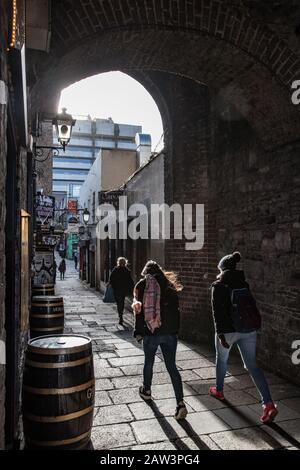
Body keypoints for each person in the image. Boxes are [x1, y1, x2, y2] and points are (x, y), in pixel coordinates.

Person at [210, 251, 278, 424]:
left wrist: (220, 334)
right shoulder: (244, 284)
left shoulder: (218, 285)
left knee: (222, 360)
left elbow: (217, 313)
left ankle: (219, 390)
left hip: (229, 332)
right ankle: (268, 403)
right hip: (248, 330)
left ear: (222, 268)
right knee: (252, 366)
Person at [132, 260, 187, 420]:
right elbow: (177, 312)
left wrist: (138, 331)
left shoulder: (142, 285)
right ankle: (180, 403)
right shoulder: (169, 285)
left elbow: (139, 311)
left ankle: (147, 391)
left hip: (151, 332)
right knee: (172, 367)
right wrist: (175, 331)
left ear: (146, 272)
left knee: (149, 362)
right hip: (170, 333)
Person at [109, 257, 134, 325]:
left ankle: (120, 316)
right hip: (123, 289)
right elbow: (130, 281)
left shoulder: (115, 270)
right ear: (125, 263)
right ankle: (121, 315)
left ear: (118, 262)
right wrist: (133, 287)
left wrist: (111, 284)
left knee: (118, 302)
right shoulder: (127, 270)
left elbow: (111, 279)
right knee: (121, 302)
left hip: (116, 289)